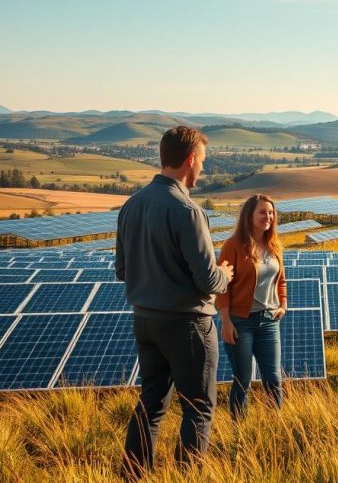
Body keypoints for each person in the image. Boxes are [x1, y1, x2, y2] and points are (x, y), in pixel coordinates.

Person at [115, 126, 233, 478]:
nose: (202, 171)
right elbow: (208, 280)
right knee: (198, 408)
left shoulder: (131, 206)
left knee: (150, 403)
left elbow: (122, 270)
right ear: (190, 160)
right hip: (188, 325)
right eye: (202, 163)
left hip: (145, 321)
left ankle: (134, 475)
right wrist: (225, 273)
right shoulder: (188, 211)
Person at [216, 194, 287, 419]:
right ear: (249, 215)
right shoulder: (233, 245)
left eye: (271, 212)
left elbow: (281, 280)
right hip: (240, 322)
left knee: (273, 379)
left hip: (269, 321)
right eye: (262, 212)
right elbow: (222, 286)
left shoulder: (274, 244)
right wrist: (226, 322)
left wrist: (283, 305)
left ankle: (274, 426)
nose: (268, 217)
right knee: (242, 380)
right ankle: (240, 430)